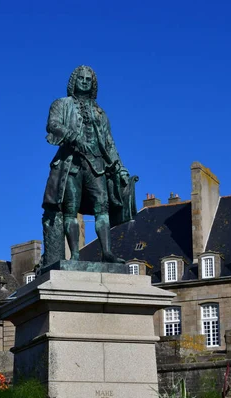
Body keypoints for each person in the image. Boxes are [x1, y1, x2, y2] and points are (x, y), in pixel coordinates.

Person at [41, 65, 137, 266]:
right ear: (73, 81)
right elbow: (53, 125)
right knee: (70, 209)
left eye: (88, 79)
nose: (84, 81)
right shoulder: (61, 104)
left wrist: (120, 168)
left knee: (102, 208)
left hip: (97, 164)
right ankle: (75, 254)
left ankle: (107, 252)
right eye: (81, 78)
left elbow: (109, 143)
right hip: (71, 164)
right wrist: (74, 137)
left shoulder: (100, 113)